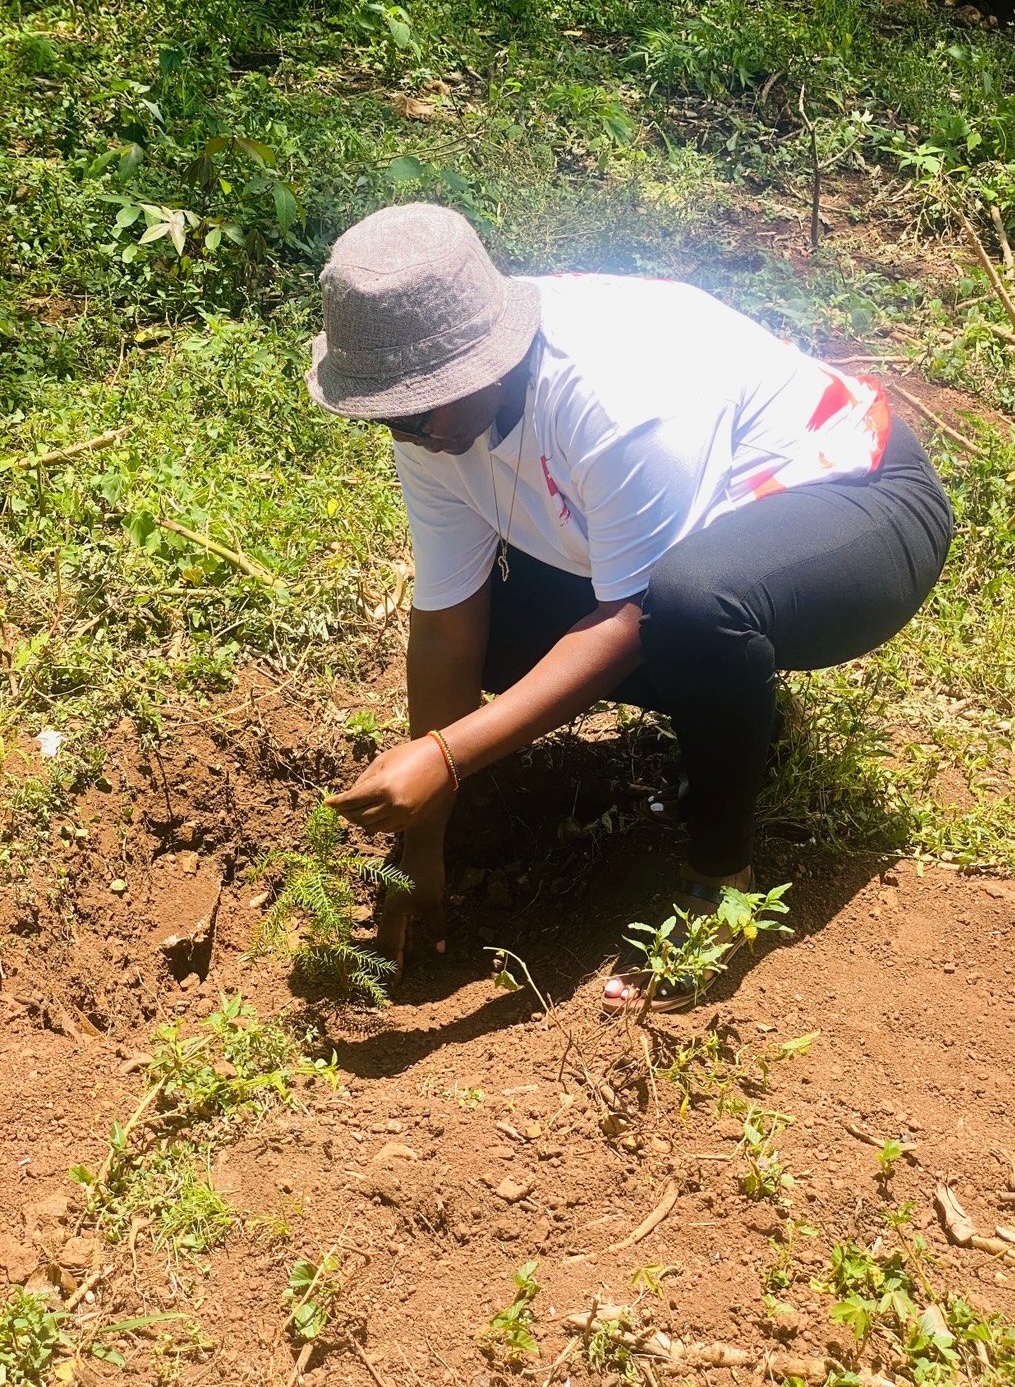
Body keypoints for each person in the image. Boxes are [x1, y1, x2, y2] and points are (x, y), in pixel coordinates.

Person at [307, 203, 953, 1009]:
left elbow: (629, 621)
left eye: (416, 409)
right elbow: (447, 626)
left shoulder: (614, 395)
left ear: (485, 361)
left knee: (692, 604)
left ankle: (722, 887)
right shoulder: (433, 424)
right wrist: (421, 846)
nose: (406, 434)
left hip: (861, 504)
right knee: (500, 627)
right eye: (387, 414)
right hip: (714, 544)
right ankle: (741, 722)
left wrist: (443, 757)